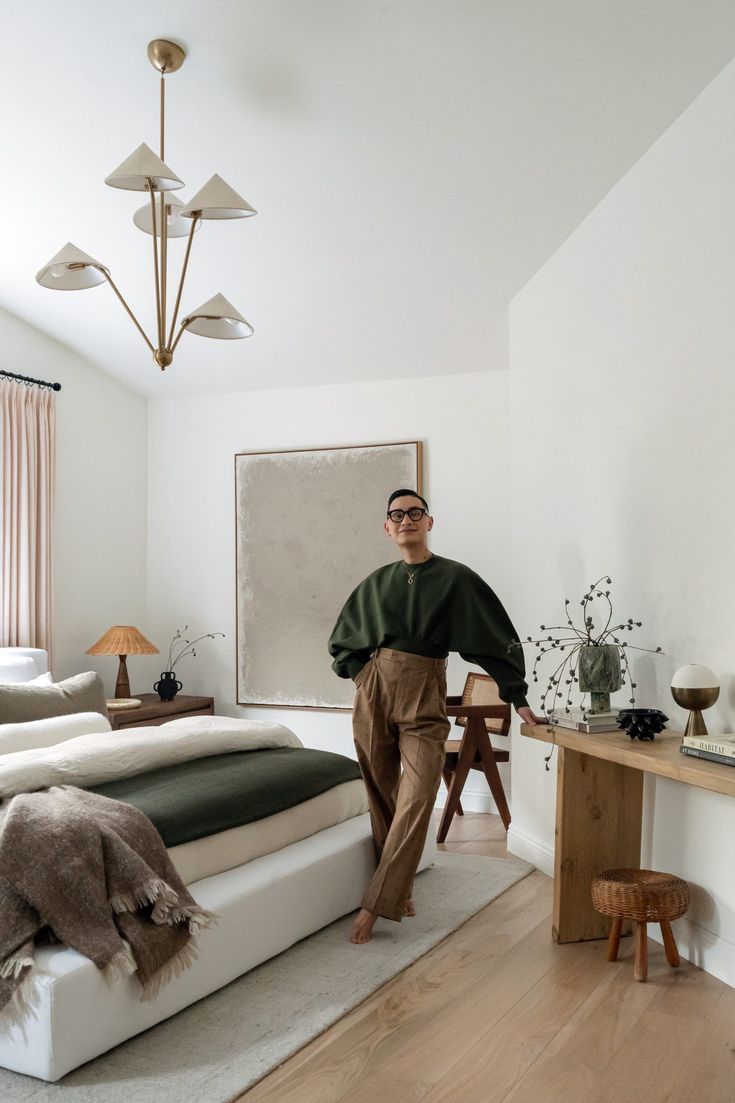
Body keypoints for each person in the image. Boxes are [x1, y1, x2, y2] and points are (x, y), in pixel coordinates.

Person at [328, 489, 544, 944]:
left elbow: (493, 636)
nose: (406, 519)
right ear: (387, 527)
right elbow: (343, 641)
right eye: (397, 515)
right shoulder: (377, 581)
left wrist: (516, 694)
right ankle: (399, 888)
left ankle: (375, 903)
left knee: (420, 792)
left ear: (429, 522)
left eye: (415, 513)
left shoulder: (455, 579)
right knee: (381, 792)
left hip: (424, 690)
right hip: (374, 689)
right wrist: (361, 674)